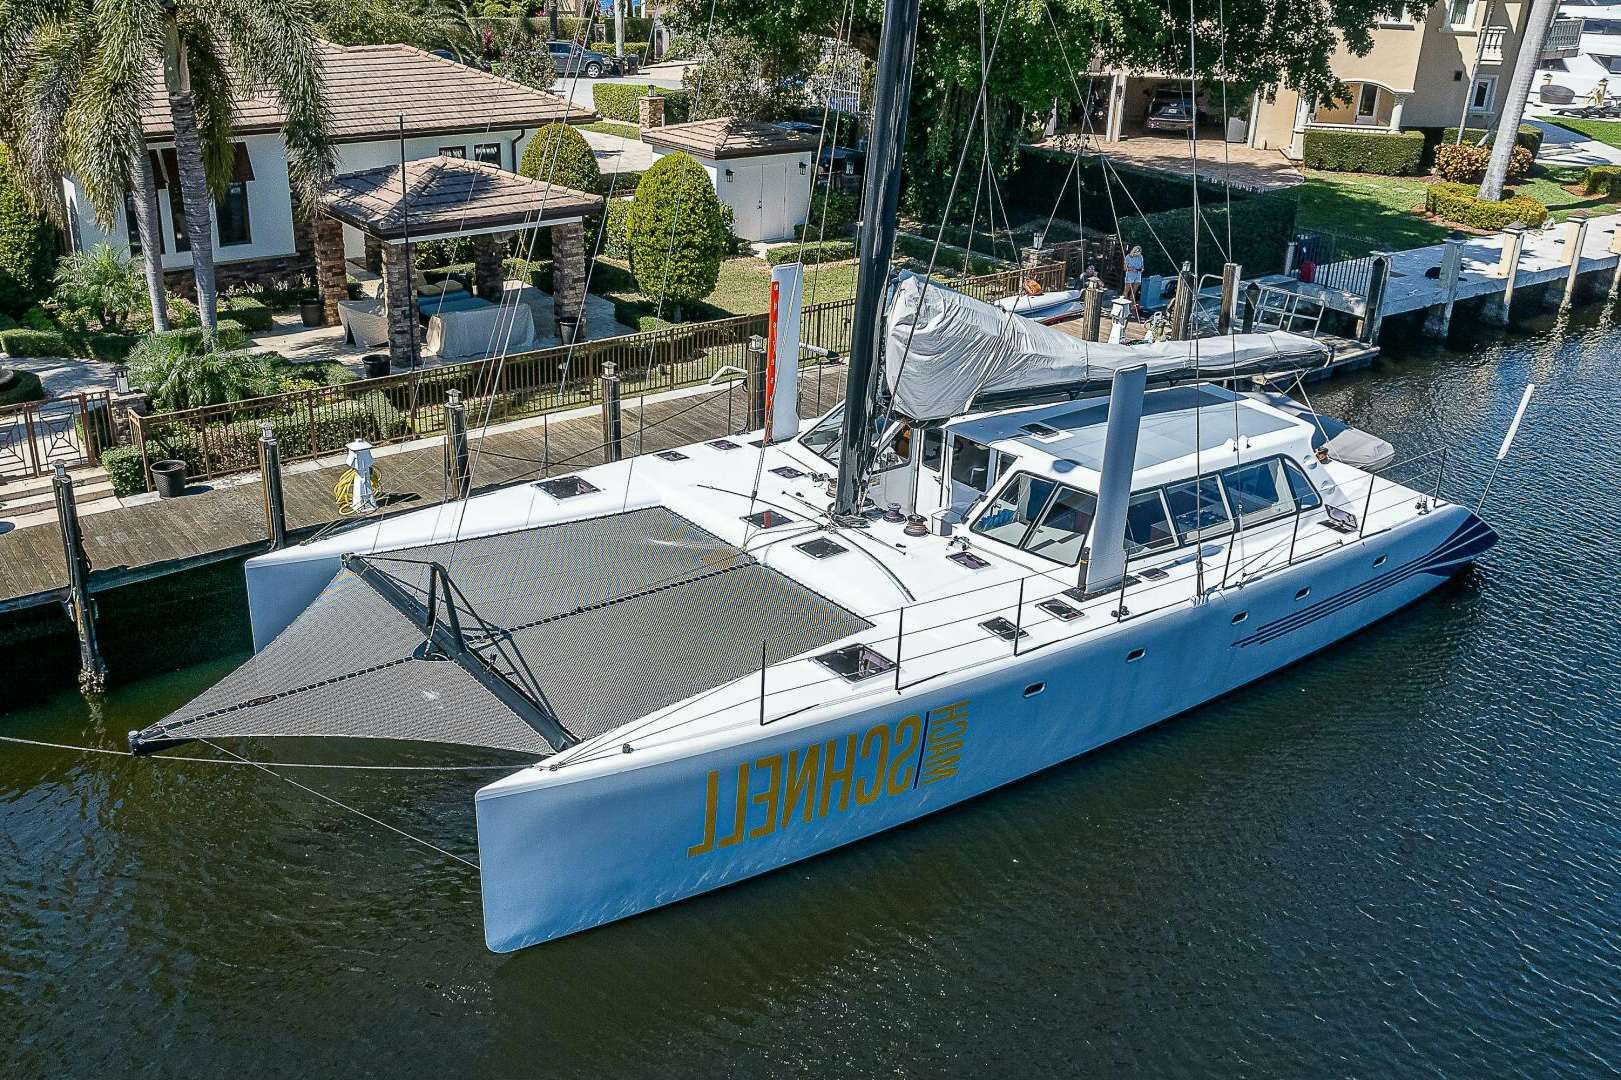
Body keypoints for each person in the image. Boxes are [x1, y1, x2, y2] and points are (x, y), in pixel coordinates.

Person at [1123, 245, 1145, 314]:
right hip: (1130, 275)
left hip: (1138, 275)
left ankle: (1131, 308)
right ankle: (1124, 306)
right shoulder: (1128, 257)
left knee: (1134, 292)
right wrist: (1131, 269)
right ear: (1134, 251)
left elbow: (1142, 266)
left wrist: (1142, 269)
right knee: (1126, 291)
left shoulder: (1140, 257)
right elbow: (1124, 268)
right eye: (1137, 252)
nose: (1138, 253)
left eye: (1139, 252)